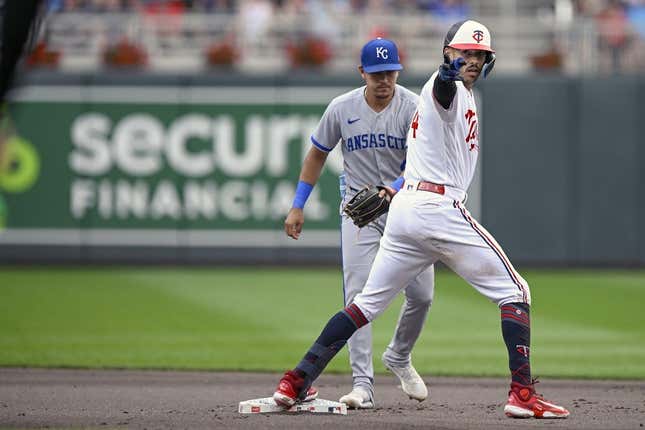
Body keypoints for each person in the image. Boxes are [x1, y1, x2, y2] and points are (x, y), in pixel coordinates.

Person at [274, 20, 570, 419]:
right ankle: (522, 394)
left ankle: (296, 380)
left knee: (365, 306)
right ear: (448, 53)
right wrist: (449, 71)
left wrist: (453, 71)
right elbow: (444, 90)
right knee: (516, 291)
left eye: (480, 55)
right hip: (437, 209)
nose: (473, 61)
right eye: (464, 53)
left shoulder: (442, 96)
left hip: (404, 212)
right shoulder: (441, 88)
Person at [282, 37, 434, 409]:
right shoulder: (342, 108)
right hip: (359, 214)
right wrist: (297, 205)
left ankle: (398, 355)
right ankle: (362, 385)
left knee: (422, 295)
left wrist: (392, 189)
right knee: (359, 297)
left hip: (407, 210)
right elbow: (317, 153)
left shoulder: (414, 107)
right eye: (377, 73)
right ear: (362, 72)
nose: (385, 80)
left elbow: (424, 163)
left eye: (391, 72)